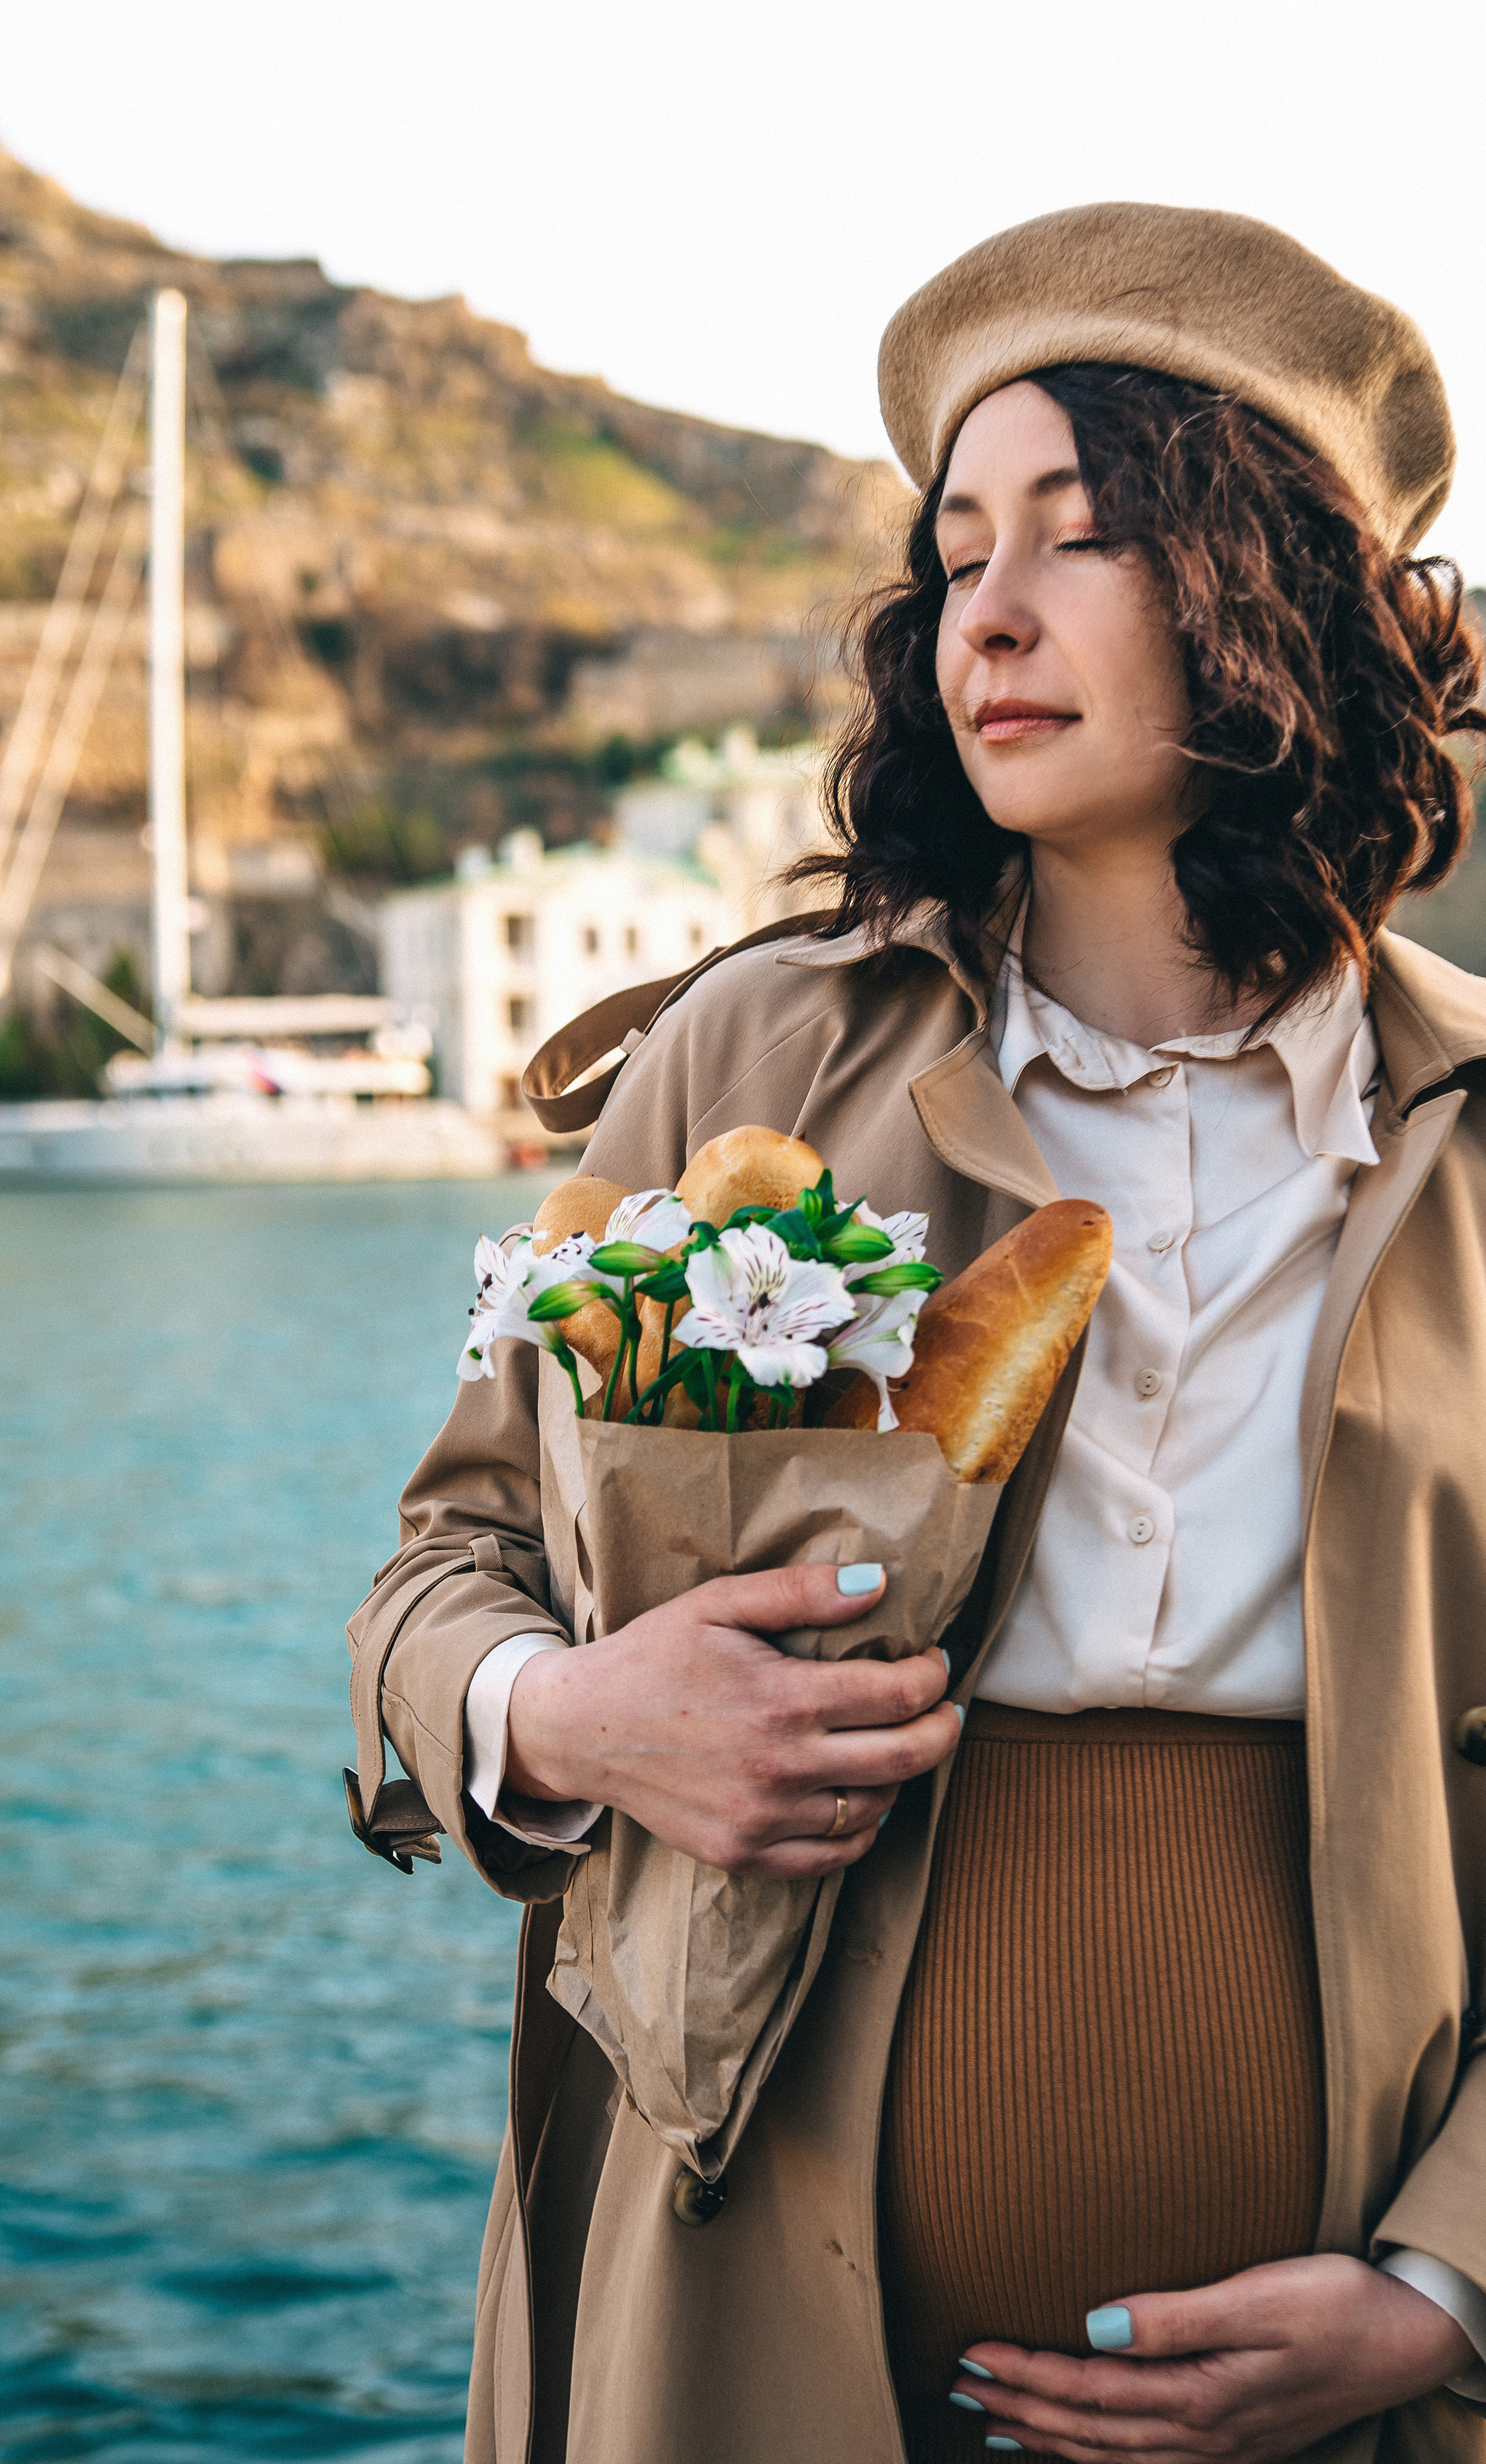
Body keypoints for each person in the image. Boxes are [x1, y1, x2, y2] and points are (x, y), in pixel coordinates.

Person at [347, 204, 1486, 2464]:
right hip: (742, 2319)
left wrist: (1441, 2294)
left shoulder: (1474, 1137)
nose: (993, 607)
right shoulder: (758, 1057)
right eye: (958, 548)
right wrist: (572, 1710)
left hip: (1360, 2405)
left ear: (1277, 592)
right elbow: (430, 1585)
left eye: (1083, 538)